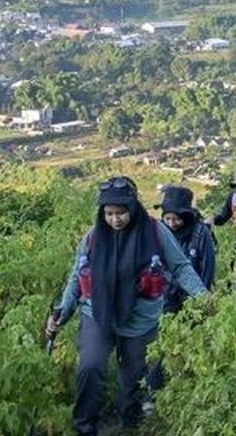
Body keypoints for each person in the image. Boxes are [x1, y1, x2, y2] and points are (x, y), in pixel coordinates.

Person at [44, 176, 208, 434]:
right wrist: (62, 313)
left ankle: (129, 426)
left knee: (132, 381)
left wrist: (204, 297)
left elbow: (180, 267)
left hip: (140, 320)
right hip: (97, 313)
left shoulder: (155, 232)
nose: (115, 219)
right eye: (109, 214)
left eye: (121, 213)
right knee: (90, 367)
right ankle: (85, 426)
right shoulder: (93, 238)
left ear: (132, 208)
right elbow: (77, 277)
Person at [146, 184, 216, 392]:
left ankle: (192, 387)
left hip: (194, 297)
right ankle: (155, 389)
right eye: (167, 218)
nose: (171, 223)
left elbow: (207, 267)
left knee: (194, 341)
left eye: (176, 219)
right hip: (167, 295)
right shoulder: (160, 232)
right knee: (163, 341)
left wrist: (203, 297)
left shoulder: (200, 233)